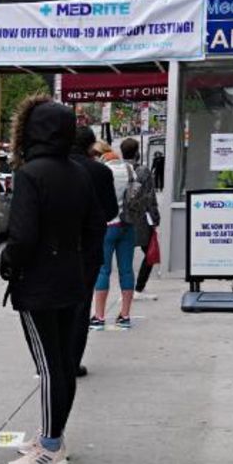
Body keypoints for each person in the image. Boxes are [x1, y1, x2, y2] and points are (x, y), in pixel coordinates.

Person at [0, 96, 105, 464]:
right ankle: (53, 434)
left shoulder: (31, 174)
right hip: (73, 279)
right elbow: (96, 227)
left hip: (39, 284)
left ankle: (49, 446)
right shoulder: (80, 171)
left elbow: (22, 237)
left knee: (48, 367)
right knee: (63, 363)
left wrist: (9, 263)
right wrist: (81, 264)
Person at [68, 127, 119, 378]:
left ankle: (51, 358)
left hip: (54, 250)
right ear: (91, 146)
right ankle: (72, 360)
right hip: (87, 248)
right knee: (80, 305)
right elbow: (110, 212)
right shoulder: (99, 171)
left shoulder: (48, 169)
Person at [92, 137, 147, 330]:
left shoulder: (103, 172)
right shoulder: (129, 169)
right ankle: (125, 315)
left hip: (107, 226)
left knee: (103, 270)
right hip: (128, 224)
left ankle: (99, 317)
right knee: (126, 270)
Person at [125, 139, 162, 301]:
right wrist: (155, 216)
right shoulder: (143, 171)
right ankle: (139, 287)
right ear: (137, 153)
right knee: (149, 253)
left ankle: (126, 289)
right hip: (140, 218)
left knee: (124, 256)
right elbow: (149, 196)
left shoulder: (117, 170)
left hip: (123, 218)